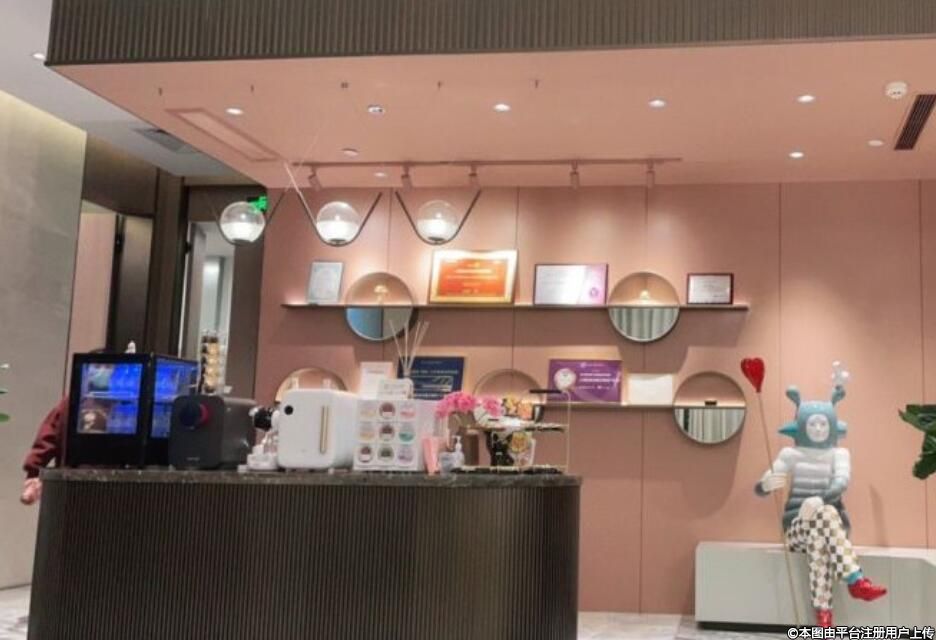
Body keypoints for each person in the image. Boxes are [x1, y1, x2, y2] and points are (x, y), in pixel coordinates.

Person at [755, 375, 886, 628]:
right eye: (812, 424)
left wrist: (820, 499)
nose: (817, 429)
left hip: (831, 529)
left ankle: (824, 617)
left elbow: (842, 482)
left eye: (822, 424)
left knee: (821, 529)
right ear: (802, 425)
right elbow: (764, 485)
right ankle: (855, 579)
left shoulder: (839, 453)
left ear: (832, 426)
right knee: (822, 520)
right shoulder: (790, 454)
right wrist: (764, 485)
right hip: (796, 530)